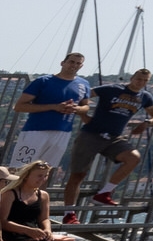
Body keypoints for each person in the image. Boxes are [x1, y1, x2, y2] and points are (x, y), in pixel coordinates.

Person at [65, 66, 153, 210]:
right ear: (132, 78)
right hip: (91, 134)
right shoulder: (112, 89)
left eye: (145, 80)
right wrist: (83, 115)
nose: (140, 82)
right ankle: (69, 213)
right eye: (138, 79)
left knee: (133, 158)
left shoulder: (145, 97)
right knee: (78, 175)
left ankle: (104, 193)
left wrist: (147, 123)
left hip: (114, 137)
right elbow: (84, 96)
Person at [3, 162, 107, 241]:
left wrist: (47, 230)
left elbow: (44, 219)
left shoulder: (43, 195)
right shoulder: (11, 194)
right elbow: (3, 221)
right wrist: (27, 230)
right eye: (39, 175)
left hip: (35, 233)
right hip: (14, 234)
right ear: (27, 175)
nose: (43, 179)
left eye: (45, 176)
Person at [8, 54, 91, 182]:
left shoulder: (83, 84)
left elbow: (85, 106)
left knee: (45, 171)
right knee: (20, 168)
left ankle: (38, 199)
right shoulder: (43, 81)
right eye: (71, 62)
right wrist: (54, 107)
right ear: (63, 63)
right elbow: (19, 106)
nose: (74, 65)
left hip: (62, 132)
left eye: (78, 63)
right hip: (36, 131)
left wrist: (76, 109)